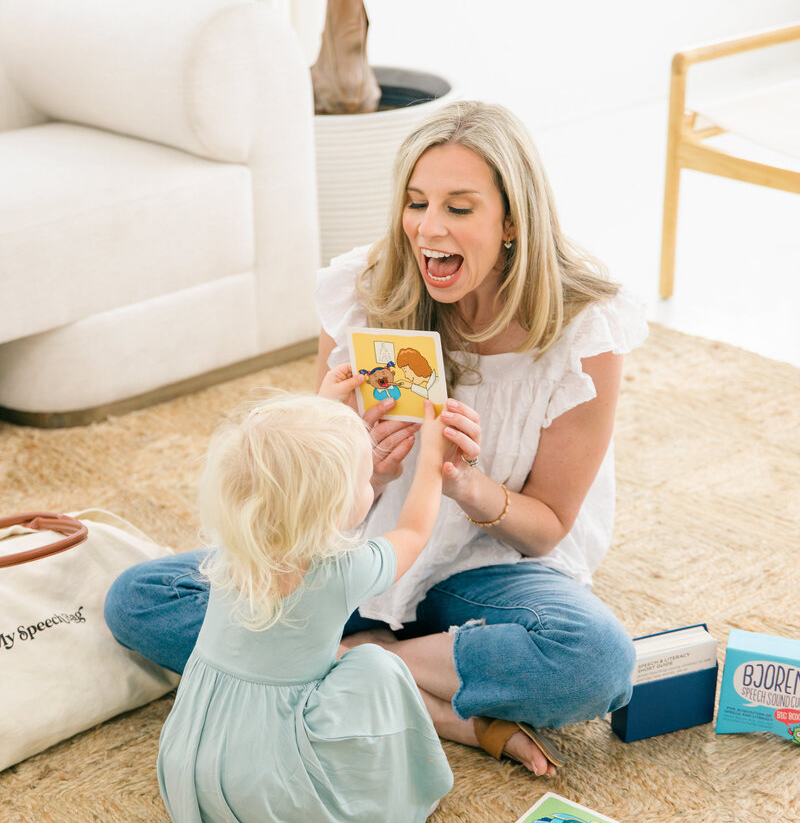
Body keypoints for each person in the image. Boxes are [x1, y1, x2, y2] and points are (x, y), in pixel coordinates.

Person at [105, 99, 647, 779]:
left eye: (458, 207)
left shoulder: (584, 330)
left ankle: (338, 668)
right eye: (416, 203)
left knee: (594, 660)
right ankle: (440, 702)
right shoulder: (364, 292)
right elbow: (301, 510)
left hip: (486, 577)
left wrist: (469, 486)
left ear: (511, 221)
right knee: (141, 598)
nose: (427, 228)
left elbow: (546, 532)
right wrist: (352, 458)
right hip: (359, 562)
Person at [156, 369, 453, 823]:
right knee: (376, 666)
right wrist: (432, 456)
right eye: (364, 481)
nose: (369, 486)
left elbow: (282, 473)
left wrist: (322, 409)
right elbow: (414, 529)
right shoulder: (342, 571)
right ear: (334, 504)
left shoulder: (235, 544)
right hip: (278, 788)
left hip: (199, 770)